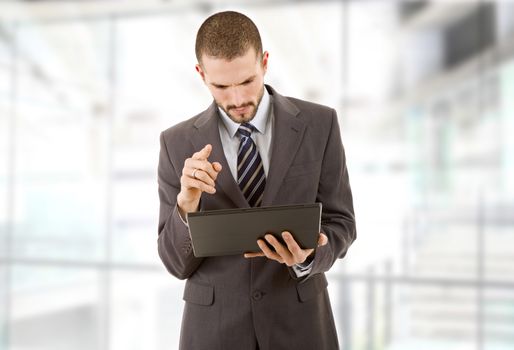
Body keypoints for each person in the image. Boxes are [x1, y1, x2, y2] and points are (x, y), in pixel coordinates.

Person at [157, 11, 356, 350]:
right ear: (201, 74)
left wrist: (309, 256)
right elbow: (176, 263)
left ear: (264, 62)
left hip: (300, 325)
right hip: (213, 331)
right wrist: (186, 204)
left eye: (247, 81)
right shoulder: (176, 143)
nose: (237, 99)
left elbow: (343, 223)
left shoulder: (320, 124)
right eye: (221, 86)